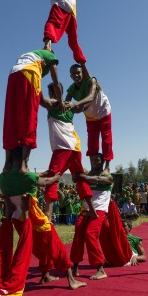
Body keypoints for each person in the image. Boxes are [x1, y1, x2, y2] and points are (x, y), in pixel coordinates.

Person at [0, 147, 85, 290]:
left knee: (40, 248)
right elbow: (45, 182)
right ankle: (71, 280)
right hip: (37, 221)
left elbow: (27, 178)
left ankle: (45, 274)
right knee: (57, 247)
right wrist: (56, 177)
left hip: (19, 221)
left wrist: (41, 174)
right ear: (23, 160)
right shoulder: (29, 177)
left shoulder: (3, 177)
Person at [3, 48, 65, 174]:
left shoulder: (32, 59)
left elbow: (43, 101)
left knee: (11, 118)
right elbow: (56, 83)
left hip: (12, 75)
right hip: (29, 74)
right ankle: (24, 164)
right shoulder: (50, 57)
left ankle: (7, 164)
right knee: (29, 119)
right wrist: (61, 101)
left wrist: (54, 102)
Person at [42, 82, 96, 221]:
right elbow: (87, 101)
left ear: (53, 92)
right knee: (79, 177)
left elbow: (40, 100)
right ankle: (91, 209)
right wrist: (93, 87)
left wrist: (32, 83)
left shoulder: (53, 104)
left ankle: (47, 216)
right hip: (75, 147)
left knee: (52, 178)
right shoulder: (70, 106)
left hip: (62, 148)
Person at [70, 153, 113, 280]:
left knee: (90, 234)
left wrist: (82, 176)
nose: (95, 162)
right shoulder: (86, 175)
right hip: (86, 209)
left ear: (102, 161)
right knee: (78, 234)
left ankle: (100, 269)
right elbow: (74, 179)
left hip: (99, 210)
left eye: (97, 159)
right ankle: (75, 266)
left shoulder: (107, 175)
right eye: (93, 159)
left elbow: (101, 180)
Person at [66, 63, 113, 171]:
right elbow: (66, 104)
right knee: (92, 141)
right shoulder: (71, 89)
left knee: (106, 139)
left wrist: (76, 105)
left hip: (103, 112)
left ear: (82, 73)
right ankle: (93, 167)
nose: (76, 75)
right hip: (90, 117)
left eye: (78, 72)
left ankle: (107, 167)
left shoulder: (91, 81)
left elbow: (90, 97)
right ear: (70, 76)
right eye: (73, 74)